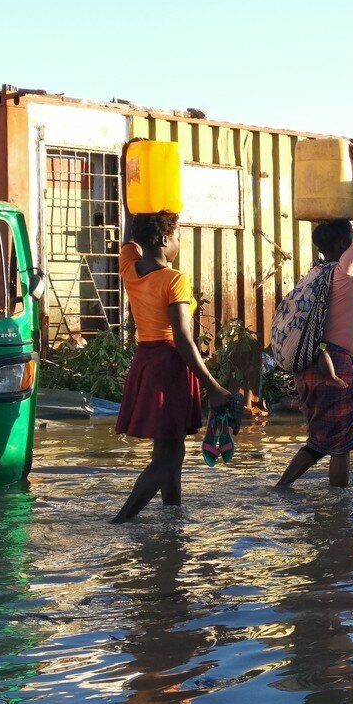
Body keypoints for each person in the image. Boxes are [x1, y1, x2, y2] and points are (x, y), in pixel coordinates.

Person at [112, 210, 230, 523]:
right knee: (169, 458)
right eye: (176, 236)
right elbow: (182, 338)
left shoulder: (129, 268)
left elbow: (128, 236)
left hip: (145, 362)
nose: (178, 242)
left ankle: (172, 515)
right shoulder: (175, 279)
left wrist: (136, 204)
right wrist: (213, 386)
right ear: (164, 240)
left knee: (167, 451)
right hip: (169, 367)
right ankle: (121, 521)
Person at [277, 141, 353, 489]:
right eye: (351, 239)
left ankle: (281, 489)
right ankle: (339, 512)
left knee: (322, 439)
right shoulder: (345, 270)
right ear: (342, 245)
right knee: (340, 447)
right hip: (334, 365)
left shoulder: (316, 274)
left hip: (310, 368)